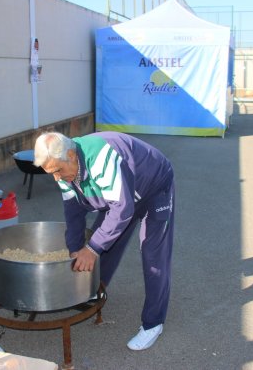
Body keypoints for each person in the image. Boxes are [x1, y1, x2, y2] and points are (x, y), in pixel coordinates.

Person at [34, 131, 174, 350]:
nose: (56, 178)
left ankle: (153, 323)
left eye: (58, 171)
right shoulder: (62, 169)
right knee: (105, 243)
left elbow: (122, 210)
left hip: (154, 186)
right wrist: (75, 248)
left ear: (71, 155)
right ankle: (96, 291)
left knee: (153, 256)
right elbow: (73, 212)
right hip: (122, 194)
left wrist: (92, 248)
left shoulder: (101, 159)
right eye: (50, 173)